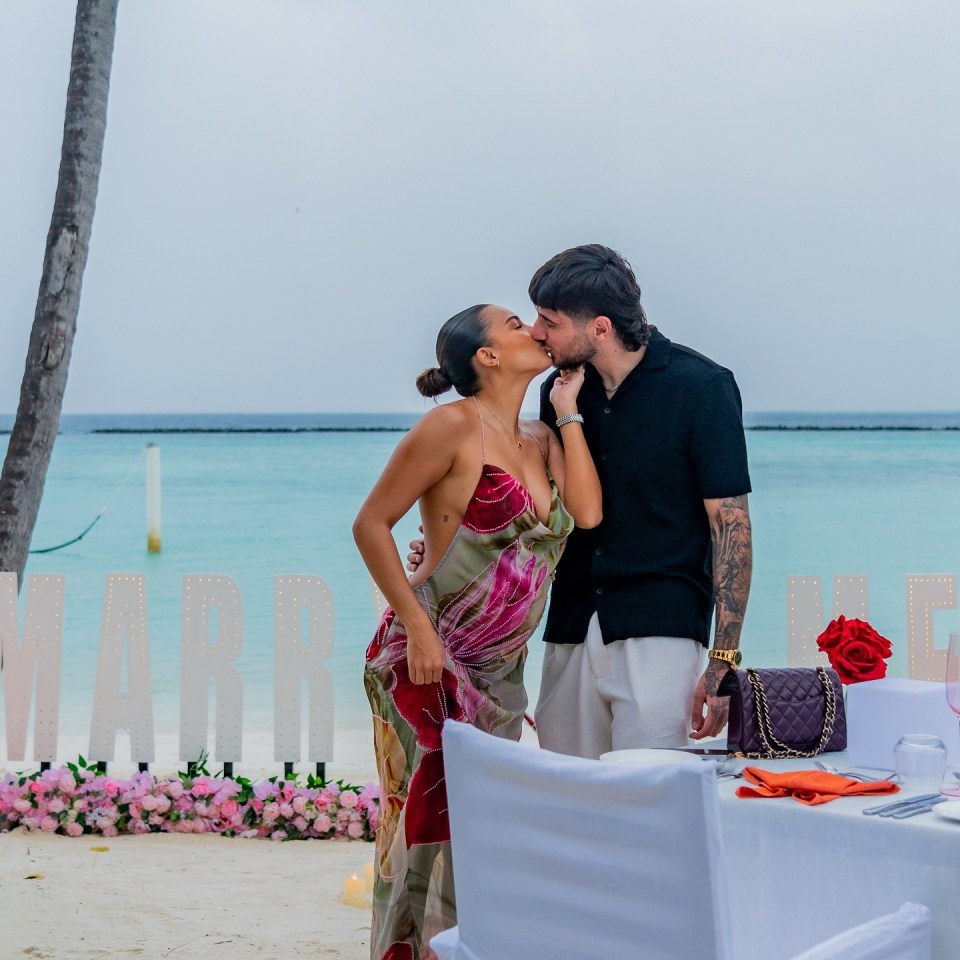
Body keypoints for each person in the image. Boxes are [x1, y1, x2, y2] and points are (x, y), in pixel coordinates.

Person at [408, 246, 753, 758]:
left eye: (550, 321)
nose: (537, 332)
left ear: (599, 327)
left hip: (658, 629)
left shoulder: (703, 387)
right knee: (569, 803)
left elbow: (732, 530)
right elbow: (540, 511)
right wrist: (449, 548)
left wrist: (723, 658)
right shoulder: (559, 391)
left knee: (649, 799)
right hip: (567, 627)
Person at [353, 303, 601, 960]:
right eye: (517, 324)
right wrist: (418, 627)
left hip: (501, 674)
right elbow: (371, 524)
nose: (533, 332)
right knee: (430, 836)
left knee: (485, 834)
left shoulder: (541, 438)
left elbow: (587, 511)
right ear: (486, 356)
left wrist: (569, 412)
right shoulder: (450, 428)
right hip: (428, 665)